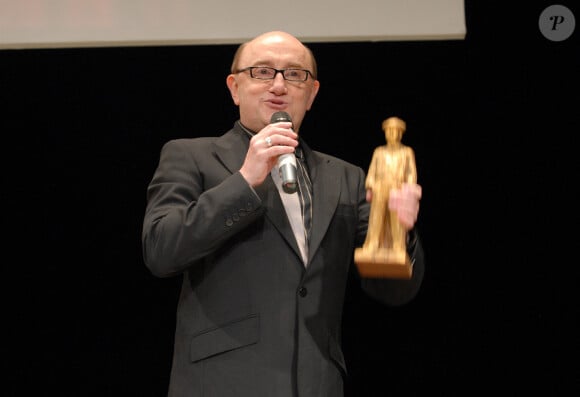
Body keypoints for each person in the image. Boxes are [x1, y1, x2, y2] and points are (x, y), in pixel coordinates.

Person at [142, 30, 424, 397]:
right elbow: (162, 250)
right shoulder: (191, 156)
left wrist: (399, 232)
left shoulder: (346, 177)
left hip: (316, 382)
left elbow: (392, 291)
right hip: (223, 381)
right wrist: (246, 180)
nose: (278, 84)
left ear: (313, 93)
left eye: (294, 74)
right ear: (234, 87)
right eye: (262, 72)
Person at [362, 116, 417, 254]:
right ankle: (373, 244)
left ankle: (398, 246)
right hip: (380, 188)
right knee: (376, 219)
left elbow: (411, 173)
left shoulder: (406, 152)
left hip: (397, 190)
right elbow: (371, 172)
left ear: (400, 133)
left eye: (395, 131)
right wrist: (371, 184)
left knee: (397, 220)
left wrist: (407, 190)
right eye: (389, 130)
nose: (392, 134)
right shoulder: (379, 152)